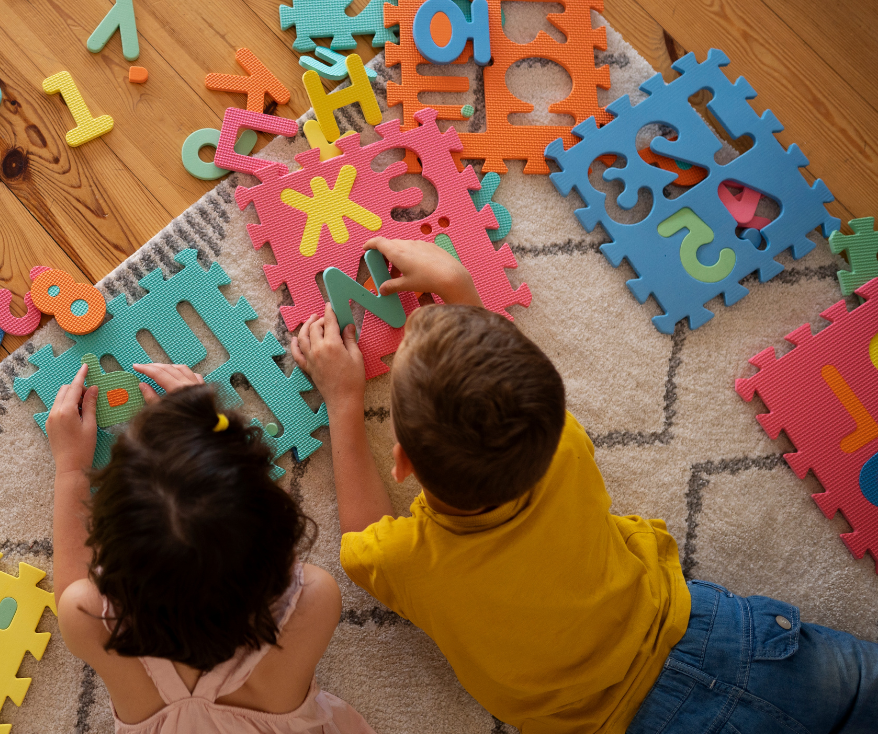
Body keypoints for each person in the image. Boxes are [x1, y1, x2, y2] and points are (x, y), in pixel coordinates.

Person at [291, 237, 878, 733]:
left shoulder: (407, 558)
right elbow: (515, 385)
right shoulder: (562, 447)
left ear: (402, 463)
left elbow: (359, 536)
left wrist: (343, 400)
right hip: (730, 641)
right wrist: (459, 287)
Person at [46, 361, 376, 734]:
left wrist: (71, 467)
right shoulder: (313, 601)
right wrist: (206, 430)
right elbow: (241, 522)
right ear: (277, 531)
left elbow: (71, 589)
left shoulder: (89, 621)